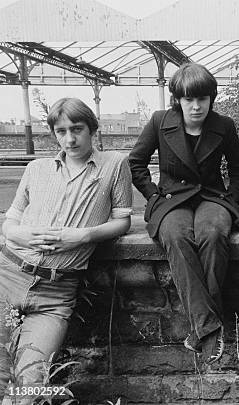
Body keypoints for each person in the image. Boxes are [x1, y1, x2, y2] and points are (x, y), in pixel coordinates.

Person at [0, 98, 132, 401]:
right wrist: (25, 234)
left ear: (92, 130)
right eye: (61, 131)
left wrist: (83, 236)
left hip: (55, 293)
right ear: (54, 134)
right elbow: (9, 225)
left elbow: (122, 221)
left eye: (77, 129)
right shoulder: (36, 168)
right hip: (8, 275)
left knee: (29, 384)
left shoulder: (114, 165)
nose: (69, 139)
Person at [129, 63, 239, 363]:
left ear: (211, 98)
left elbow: (238, 169)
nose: (196, 106)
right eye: (188, 99)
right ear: (177, 100)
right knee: (176, 235)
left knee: (213, 233)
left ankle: (201, 330)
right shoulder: (159, 121)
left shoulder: (225, 125)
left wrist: (231, 200)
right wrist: (153, 196)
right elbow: (136, 163)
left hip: (212, 196)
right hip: (172, 199)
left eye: (202, 99)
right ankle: (209, 326)